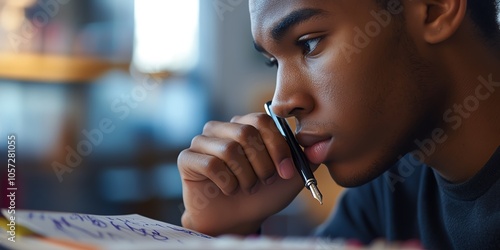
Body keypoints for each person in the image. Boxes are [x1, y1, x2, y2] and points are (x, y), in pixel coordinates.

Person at [177, 0, 500, 248]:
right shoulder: (389, 190)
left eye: (310, 43)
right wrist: (220, 233)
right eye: (273, 62)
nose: (281, 102)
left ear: (434, 9)